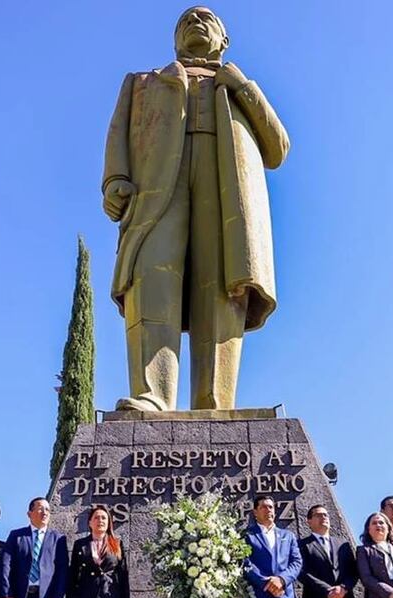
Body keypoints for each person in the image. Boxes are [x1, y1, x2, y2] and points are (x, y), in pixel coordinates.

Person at [101, 5, 290, 411]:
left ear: (224, 40)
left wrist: (240, 85)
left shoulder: (237, 87)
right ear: (174, 40)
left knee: (221, 283)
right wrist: (114, 178)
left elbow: (277, 148)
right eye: (186, 20)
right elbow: (119, 133)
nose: (195, 23)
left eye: (206, 20)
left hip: (225, 187)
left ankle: (214, 400)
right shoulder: (142, 82)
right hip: (156, 189)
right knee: (151, 277)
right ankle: (152, 394)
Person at [243, 495, 303, 598]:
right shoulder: (247, 535)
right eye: (263, 507)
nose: (268, 510)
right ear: (255, 512)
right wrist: (266, 583)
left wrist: (282, 580)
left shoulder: (288, 536)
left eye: (271, 507)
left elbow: (297, 562)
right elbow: (244, 563)